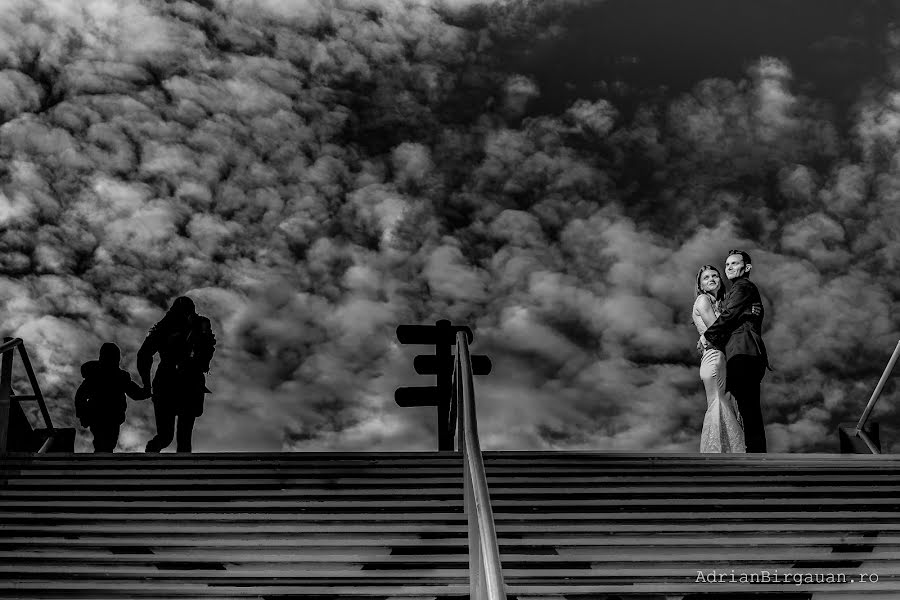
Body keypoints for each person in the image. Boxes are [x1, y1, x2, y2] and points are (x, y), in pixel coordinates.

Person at [700, 250, 770, 453]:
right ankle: (749, 452)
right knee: (744, 409)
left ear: (746, 268)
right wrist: (748, 313)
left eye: (734, 264)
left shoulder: (743, 286)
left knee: (749, 409)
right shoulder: (737, 291)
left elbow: (729, 315)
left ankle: (757, 458)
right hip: (739, 352)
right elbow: (735, 314)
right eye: (727, 264)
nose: (729, 267)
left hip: (745, 352)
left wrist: (707, 336)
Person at [138, 296, 216, 453]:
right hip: (168, 382)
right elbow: (144, 355)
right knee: (166, 437)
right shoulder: (163, 327)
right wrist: (146, 383)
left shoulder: (200, 325)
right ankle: (149, 460)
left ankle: (180, 472)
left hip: (189, 382)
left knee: (183, 437)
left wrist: (147, 384)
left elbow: (208, 350)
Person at [692, 265, 745, 453]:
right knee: (718, 402)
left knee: (724, 402)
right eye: (706, 278)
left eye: (715, 275)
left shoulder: (717, 303)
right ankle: (717, 451)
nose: (712, 279)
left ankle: (727, 449)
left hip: (720, 357)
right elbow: (718, 330)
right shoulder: (703, 300)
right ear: (701, 285)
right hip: (713, 357)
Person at [74, 343, 150, 452]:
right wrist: (83, 414)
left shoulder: (120, 377)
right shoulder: (95, 375)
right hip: (98, 414)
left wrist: (146, 392)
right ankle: (101, 463)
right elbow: (80, 396)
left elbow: (135, 393)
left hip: (113, 415)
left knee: (109, 443)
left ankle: (102, 462)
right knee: (102, 443)